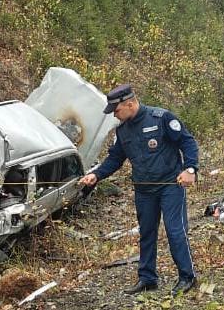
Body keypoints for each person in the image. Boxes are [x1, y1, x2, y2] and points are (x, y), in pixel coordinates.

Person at [79, 85, 200, 296]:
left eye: (116, 111)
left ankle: (187, 277)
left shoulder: (161, 118)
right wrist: (96, 175)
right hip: (144, 190)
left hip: (170, 185)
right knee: (146, 232)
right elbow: (115, 158)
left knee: (175, 231)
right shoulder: (122, 130)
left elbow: (187, 142)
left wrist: (190, 169)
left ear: (130, 103)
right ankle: (147, 278)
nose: (115, 115)